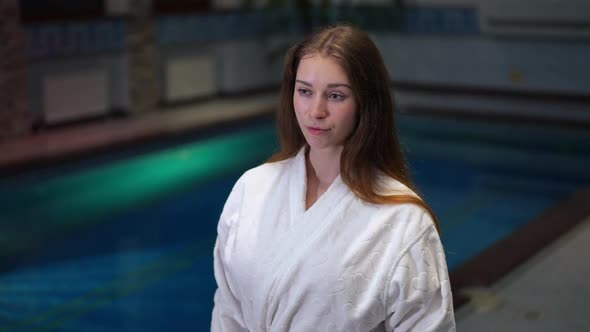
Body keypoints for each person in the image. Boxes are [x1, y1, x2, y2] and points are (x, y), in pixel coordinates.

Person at [211, 24, 455, 331]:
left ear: (366, 103)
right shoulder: (252, 188)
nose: (316, 110)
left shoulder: (404, 221)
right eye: (304, 91)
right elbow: (227, 310)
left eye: (336, 95)